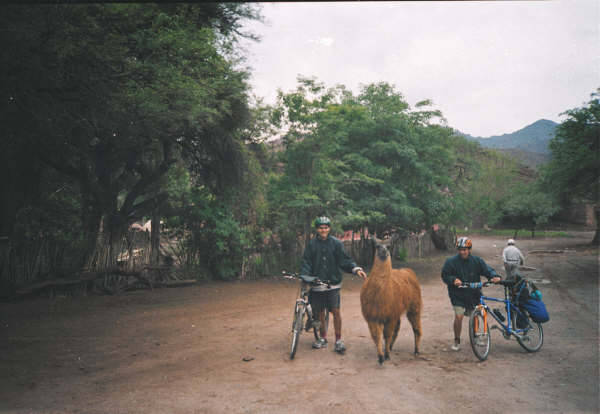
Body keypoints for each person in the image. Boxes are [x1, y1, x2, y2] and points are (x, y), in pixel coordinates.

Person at [300, 216, 367, 353]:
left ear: (329, 228)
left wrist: (356, 269)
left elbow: (344, 260)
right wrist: (306, 277)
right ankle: (323, 338)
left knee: (336, 311)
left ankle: (338, 340)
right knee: (319, 313)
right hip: (317, 284)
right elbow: (306, 262)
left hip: (333, 284)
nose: (323, 230)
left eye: (325, 227)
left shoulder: (336, 244)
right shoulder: (312, 245)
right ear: (317, 229)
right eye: (320, 227)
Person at [441, 237, 501, 351]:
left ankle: (476, 337)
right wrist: (453, 280)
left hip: (474, 293)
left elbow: (487, 270)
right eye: (461, 249)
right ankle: (457, 340)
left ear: (469, 249)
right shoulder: (451, 262)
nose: (463, 252)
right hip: (457, 294)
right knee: (459, 316)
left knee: (476, 315)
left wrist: (494, 276)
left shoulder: (477, 261)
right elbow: (445, 275)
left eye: (465, 249)